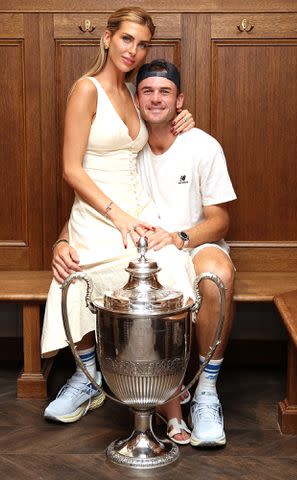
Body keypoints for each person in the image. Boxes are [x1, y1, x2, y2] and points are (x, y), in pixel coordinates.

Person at [51, 59, 237, 448]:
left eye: (165, 92)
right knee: (77, 270)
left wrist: (179, 238)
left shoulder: (202, 144)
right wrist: (62, 242)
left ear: (180, 99)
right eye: (148, 91)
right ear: (135, 100)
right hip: (136, 247)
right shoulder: (124, 150)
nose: (156, 99)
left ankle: (204, 393)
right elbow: (88, 204)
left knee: (215, 276)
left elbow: (220, 220)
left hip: (190, 242)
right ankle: (99, 381)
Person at [42, 8, 195, 445]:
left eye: (142, 43)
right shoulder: (85, 91)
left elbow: (161, 119)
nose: (133, 50)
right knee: (78, 277)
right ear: (108, 38)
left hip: (139, 212)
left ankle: (162, 388)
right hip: (100, 214)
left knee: (174, 269)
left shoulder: (132, 93)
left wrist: (185, 119)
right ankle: (89, 376)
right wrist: (111, 218)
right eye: (127, 39)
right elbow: (71, 169)